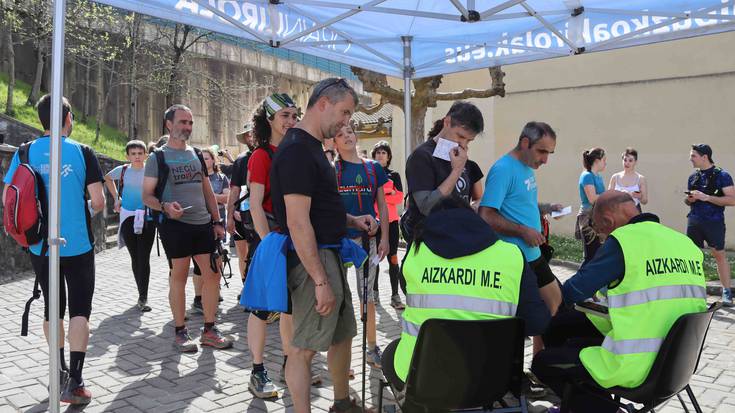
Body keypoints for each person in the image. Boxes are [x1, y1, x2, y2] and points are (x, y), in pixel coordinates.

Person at [531, 191, 707, 412]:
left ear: (608, 221)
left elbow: (572, 291)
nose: (602, 238)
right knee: (564, 330)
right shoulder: (684, 243)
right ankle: (582, 404)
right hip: (678, 363)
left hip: (635, 365)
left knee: (544, 363)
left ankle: (600, 409)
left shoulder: (624, 241)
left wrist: (539, 289)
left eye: (600, 231)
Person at [270, 77, 377, 413]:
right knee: (303, 348)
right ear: (322, 104)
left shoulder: (313, 147)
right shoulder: (298, 150)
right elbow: (298, 221)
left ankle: (342, 402)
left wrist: (352, 221)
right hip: (312, 262)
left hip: (330, 252)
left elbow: (319, 206)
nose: (346, 121)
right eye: (344, 112)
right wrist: (319, 281)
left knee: (342, 334)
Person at [382, 198, 551, 390]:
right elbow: (538, 322)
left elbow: (407, 289)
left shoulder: (415, 252)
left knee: (390, 355)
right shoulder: (512, 255)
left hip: (424, 379)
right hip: (490, 380)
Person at [2, 95, 105, 404]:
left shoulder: (25, 152)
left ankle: (56, 372)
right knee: (79, 310)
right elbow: (99, 202)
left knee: (52, 307)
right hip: (78, 245)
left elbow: (8, 196)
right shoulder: (83, 152)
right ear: (68, 118)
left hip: (40, 245)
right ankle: (75, 381)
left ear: (41, 119)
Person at [142, 104, 232, 352]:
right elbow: (147, 196)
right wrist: (165, 206)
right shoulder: (157, 157)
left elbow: (207, 192)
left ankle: (210, 330)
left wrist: (217, 222)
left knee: (213, 274)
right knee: (179, 277)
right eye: (182, 122)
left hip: (203, 224)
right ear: (169, 124)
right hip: (175, 227)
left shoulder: (195, 154)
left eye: (190, 123)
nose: (187, 127)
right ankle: (181, 332)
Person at [478, 121, 563, 353]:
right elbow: (486, 214)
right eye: (542, 151)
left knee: (553, 304)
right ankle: (529, 368)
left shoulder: (526, 167)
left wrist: (546, 208)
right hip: (516, 259)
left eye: (549, 153)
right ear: (525, 143)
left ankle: (540, 364)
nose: (545, 159)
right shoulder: (504, 169)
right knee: (532, 314)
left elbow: (519, 202)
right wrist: (523, 231)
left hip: (533, 254)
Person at [242, 93, 301, 398]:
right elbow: (254, 204)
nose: (291, 122)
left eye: (294, 116)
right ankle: (257, 371)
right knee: (262, 310)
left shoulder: (295, 152)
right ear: (270, 120)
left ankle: (290, 366)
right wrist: (269, 245)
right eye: (285, 116)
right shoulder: (261, 156)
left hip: (295, 241)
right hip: (271, 242)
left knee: (289, 309)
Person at [334, 125, 390, 368]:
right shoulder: (331, 170)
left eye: (349, 132)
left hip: (368, 240)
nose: (346, 136)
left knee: (366, 297)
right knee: (338, 298)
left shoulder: (373, 168)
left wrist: (385, 237)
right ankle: (339, 357)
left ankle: (371, 347)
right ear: (333, 142)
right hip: (339, 241)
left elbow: (382, 206)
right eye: (340, 134)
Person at [403, 101, 485, 245]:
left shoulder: (460, 156)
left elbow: (474, 197)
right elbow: (427, 206)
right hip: (429, 244)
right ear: (447, 122)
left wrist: (473, 206)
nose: (463, 144)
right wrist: (457, 171)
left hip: (458, 239)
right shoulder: (422, 156)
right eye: (460, 136)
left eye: (469, 140)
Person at [104, 140, 155, 312]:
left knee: (144, 256)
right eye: (133, 154)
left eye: (140, 153)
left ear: (145, 155)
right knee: (135, 256)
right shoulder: (123, 170)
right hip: (127, 216)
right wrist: (117, 197)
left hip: (147, 217)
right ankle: (140, 292)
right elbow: (107, 178)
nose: (137, 156)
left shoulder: (151, 169)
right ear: (127, 156)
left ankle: (144, 296)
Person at [686, 144, 735, 306]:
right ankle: (696, 291)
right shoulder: (693, 177)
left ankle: (727, 292)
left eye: (693, 156)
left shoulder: (723, 175)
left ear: (704, 157)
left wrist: (706, 197)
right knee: (692, 257)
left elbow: (732, 200)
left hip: (713, 222)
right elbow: (688, 200)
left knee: (719, 255)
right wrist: (690, 199)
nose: (690, 158)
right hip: (694, 221)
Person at [189, 147, 230, 314]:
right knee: (199, 262)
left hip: (218, 221)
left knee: (217, 257)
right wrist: (214, 197)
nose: (205, 161)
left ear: (213, 160)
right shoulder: (194, 177)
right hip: (199, 222)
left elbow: (226, 198)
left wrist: (210, 196)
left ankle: (214, 289)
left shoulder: (222, 178)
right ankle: (199, 297)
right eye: (202, 158)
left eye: (207, 158)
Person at [371, 140, 406, 309]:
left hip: (391, 223)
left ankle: (395, 295)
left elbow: (399, 198)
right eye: (378, 152)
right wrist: (388, 192)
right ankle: (375, 294)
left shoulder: (394, 175)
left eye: (384, 153)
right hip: (375, 223)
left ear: (388, 156)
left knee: (393, 259)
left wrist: (381, 195)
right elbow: (369, 198)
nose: (380, 155)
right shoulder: (369, 173)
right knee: (376, 259)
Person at [226, 124, 255, 286]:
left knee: (255, 253)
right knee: (242, 253)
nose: (251, 137)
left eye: (253, 133)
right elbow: (234, 189)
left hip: (261, 215)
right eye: (248, 135)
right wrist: (230, 216)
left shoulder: (271, 154)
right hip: (240, 213)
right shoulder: (241, 159)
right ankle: (246, 286)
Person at [576, 147, 606, 265]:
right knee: (590, 256)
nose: (606, 163)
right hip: (588, 218)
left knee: (598, 254)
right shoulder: (587, 176)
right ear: (597, 161)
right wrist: (608, 194)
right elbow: (593, 198)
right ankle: (579, 282)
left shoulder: (598, 176)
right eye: (604, 160)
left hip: (597, 217)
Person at [608, 147, 647, 212]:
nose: (627, 163)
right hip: (618, 211)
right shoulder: (615, 177)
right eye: (625, 160)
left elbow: (645, 201)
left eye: (630, 160)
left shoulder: (640, 179)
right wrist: (620, 195)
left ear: (635, 162)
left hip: (634, 211)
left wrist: (638, 196)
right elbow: (608, 198)